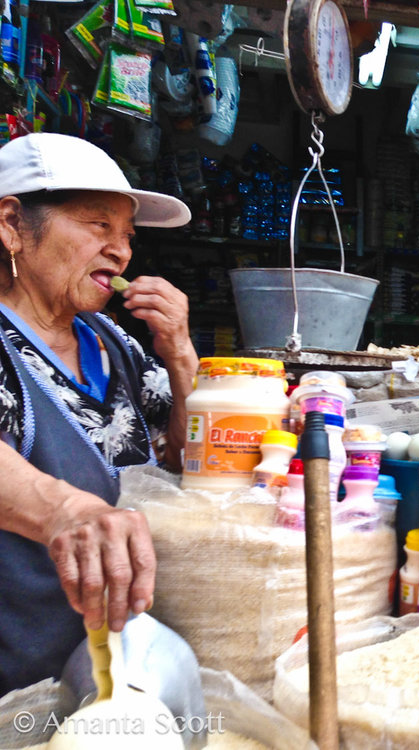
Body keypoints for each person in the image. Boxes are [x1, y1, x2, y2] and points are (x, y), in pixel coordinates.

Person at [0, 133, 198, 694]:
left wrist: (181, 355)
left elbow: (188, 462)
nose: (121, 252)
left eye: (127, 236)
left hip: (133, 663)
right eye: (97, 225)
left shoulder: (116, 344)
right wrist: (66, 510)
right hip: (21, 678)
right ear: (12, 223)